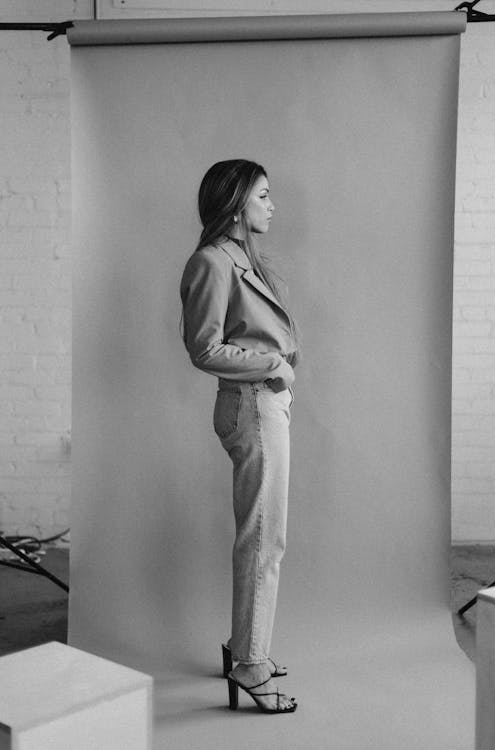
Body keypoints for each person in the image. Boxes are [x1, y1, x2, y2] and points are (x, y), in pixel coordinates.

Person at [180, 159, 299, 714]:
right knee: (263, 540)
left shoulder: (238, 257)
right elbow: (204, 348)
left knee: (264, 536)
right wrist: (273, 361)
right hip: (252, 406)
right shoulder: (211, 261)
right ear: (235, 204)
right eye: (264, 196)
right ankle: (251, 662)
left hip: (264, 403)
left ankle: (243, 649)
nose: (272, 205)